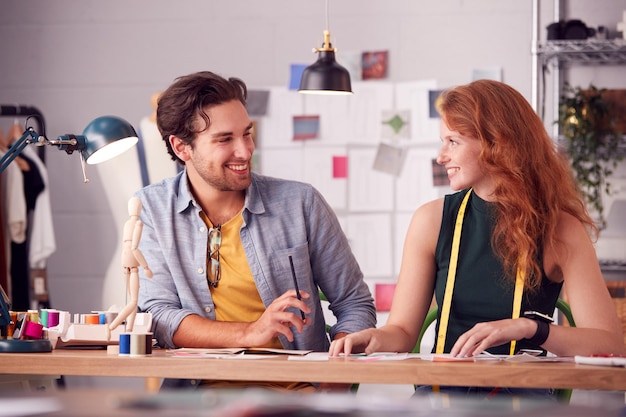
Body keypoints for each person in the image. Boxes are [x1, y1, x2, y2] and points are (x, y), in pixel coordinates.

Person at [329, 79, 625, 396]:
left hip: (524, 396)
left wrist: (530, 328)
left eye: (453, 142)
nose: (441, 157)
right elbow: (401, 332)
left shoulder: (560, 229)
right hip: (444, 394)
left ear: (496, 143)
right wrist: (372, 338)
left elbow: (610, 346)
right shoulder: (431, 220)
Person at [136, 71, 376, 391]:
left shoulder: (300, 203)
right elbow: (158, 316)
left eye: (247, 134)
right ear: (182, 148)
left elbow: (354, 304)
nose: (245, 150)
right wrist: (251, 332)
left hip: (298, 398)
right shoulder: (151, 209)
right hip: (194, 399)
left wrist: (333, 387)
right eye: (225, 139)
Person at [106, 197, 152, 340]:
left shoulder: (127, 223)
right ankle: (112, 327)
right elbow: (135, 248)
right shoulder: (138, 224)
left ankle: (130, 329)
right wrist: (145, 267)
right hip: (132, 263)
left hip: (123, 260)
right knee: (133, 302)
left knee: (132, 300)